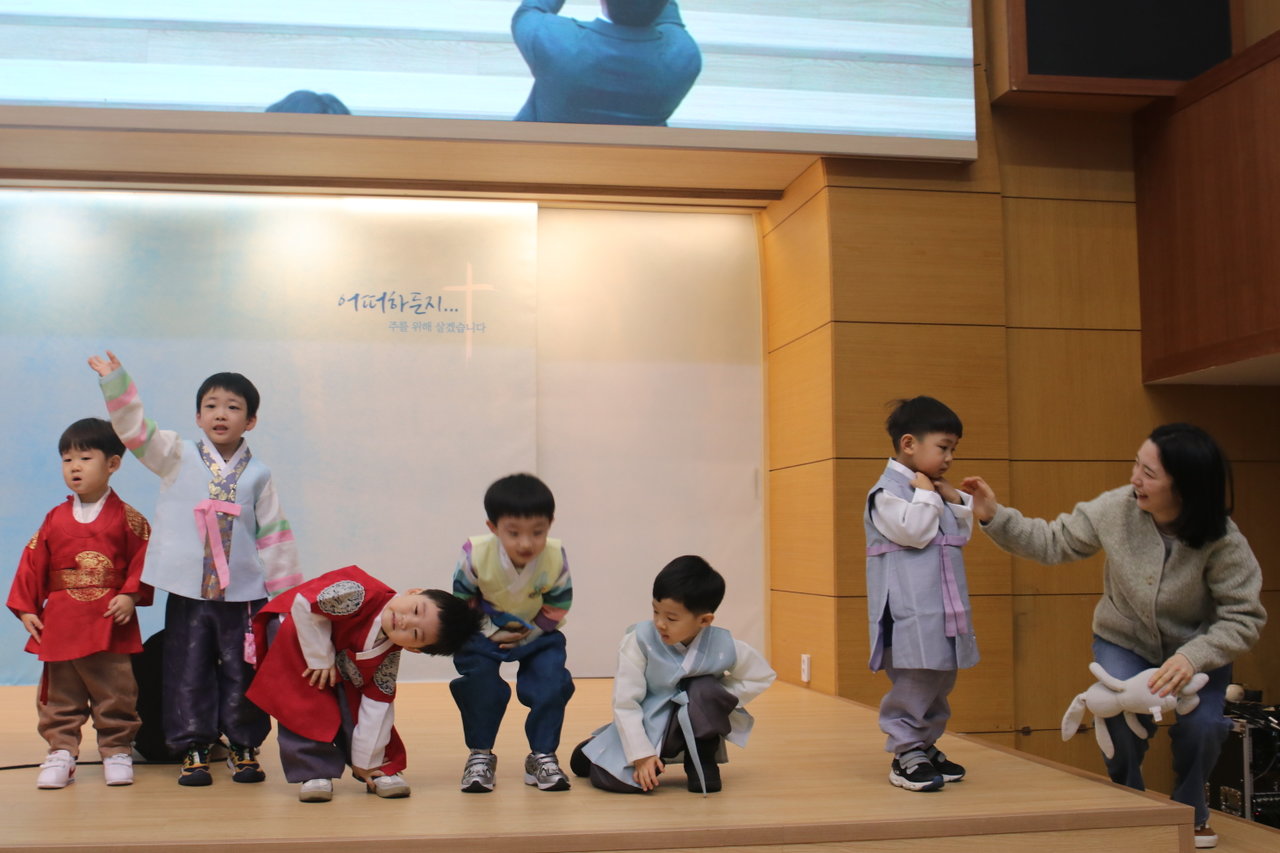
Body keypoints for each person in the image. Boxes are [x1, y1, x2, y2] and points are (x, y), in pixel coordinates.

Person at [962, 422, 1266, 850]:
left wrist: (1193, 657)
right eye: (1136, 465)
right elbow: (1052, 541)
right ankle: (1130, 800)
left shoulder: (1223, 539)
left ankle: (1191, 809)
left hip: (1197, 651)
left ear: (1185, 486)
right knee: (1118, 719)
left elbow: (1244, 617)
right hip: (1124, 639)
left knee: (1203, 728)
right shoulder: (1116, 509)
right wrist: (994, 515)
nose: (1134, 479)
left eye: (1149, 473)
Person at [91, 350, 302, 787]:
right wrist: (115, 382)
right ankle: (193, 746)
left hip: (244, 594)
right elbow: (134, 430)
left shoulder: (258, 475)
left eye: (233, 407)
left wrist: (285, 600)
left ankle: (244, 745)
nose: (221, 414)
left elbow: (275, 536)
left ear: (251, 420)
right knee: (186, 669)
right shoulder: (175, 454)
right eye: (211, 405)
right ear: (197, 416)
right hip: (189, 591)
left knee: (243, 669)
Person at [246, 565, 480, 802]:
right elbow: (304, 604)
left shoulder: (387, 655)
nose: (405, 621)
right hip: (297, 630)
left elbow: (377, 703)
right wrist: (320, 658)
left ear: (413, 648)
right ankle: (314, 771)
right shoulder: (362, 592)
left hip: (336, 652)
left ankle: (376, 767)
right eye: (416, 610)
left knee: (358, 703)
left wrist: (366, 761)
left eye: (416, 633)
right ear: (414, 592)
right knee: (305, 702)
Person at [7, 418, 153, 789]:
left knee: (115, 688)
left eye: (85, 458)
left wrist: (130, 594)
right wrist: (26, 608)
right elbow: (32, 562)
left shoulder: (129, 518)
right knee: (60, 691)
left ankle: (116, 748)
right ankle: (61, 750)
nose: (74, 467)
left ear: (113, 463)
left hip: (108, 620)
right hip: (61, 620)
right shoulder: (53, 519)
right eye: (67, 459)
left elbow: (146, 558)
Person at [569, 555, 775, 794]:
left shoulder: (723, 645)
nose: (660, 623)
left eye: (671, 618)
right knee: (623, 782)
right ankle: (598, 748)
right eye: (655, 611)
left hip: (695, 720)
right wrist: (641, 754)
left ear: (704, 620)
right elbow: (626, 702)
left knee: (704, 688)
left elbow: (760, 676)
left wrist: (717, 699)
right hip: (651, 720)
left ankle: (702, 761)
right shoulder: (639, 640)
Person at [865, 396, 978, 793]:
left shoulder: (930, 489)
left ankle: (925, 743)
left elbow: (959, 533)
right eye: (943, 447)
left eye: (953, 449)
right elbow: (914, 532)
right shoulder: (887, 492)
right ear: (909, 444)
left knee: (941, 677)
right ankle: (905, 751)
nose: (949, 458)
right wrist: (929, 495)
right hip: (909, 610)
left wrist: (953, 499)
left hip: (943, 606)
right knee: (915, 678)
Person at [449, 473, 575, 793]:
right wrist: (490, 632)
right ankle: (480, 754)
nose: (526, 543)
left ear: (550, 524)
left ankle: (542, 755)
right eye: (514, 533)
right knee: (479, 685)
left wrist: (527, 635)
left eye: (538, 532)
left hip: (537, 631)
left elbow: (558, 603)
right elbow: (463, 601)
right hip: (484, 629)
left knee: (551, 682)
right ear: (493, 528)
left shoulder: (555, 555)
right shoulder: (475, 553)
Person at [511, 0, 702, 126]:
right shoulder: (684, 56)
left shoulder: (550, 38)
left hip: (541, 156)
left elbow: (529, 11)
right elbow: (671, 22)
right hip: (634, 166)